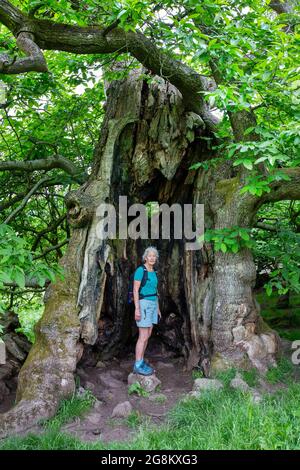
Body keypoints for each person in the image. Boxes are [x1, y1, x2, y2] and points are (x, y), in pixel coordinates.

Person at [133, 246, 161, 375]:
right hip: (143, 304)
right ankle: (138, 364)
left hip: (153, 304)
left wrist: (158, 308)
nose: (152, 258)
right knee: (143, 336)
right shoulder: (140, 270)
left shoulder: (154, 272)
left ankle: (142, 360)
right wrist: (137, 309)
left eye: (154, 256)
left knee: (148, 334)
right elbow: (135, 290)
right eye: (150, 256)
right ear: (145, 257)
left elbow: (156, 291)